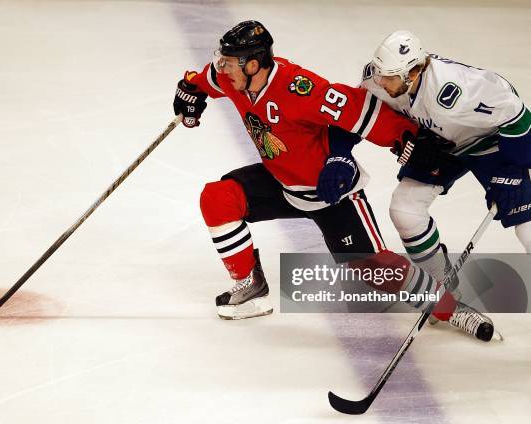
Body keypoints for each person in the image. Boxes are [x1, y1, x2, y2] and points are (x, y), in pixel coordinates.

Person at [172, 21, 494, 341]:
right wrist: (190, 90)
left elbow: (359, 108)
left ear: (253, 64)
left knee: (374, 270)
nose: (222, 67)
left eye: (229, 61)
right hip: (281, 183)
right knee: (218, 199)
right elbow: (205, 80)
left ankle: (451, 307)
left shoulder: (299, 87)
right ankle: (250, 286)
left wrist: (407, 137)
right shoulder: (234, 79)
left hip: (333, 192)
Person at [360, 30, 531, 289]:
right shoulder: (376, 79)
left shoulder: (454, 89)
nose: (380, 81)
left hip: (488, 143)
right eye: (379, 72)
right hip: (441, 145)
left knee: (525, 222)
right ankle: (442, 288)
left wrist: (513, 166)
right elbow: (362, 111)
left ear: (414, 73)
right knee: (404, 210)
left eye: (390, 77)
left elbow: (515, 112)